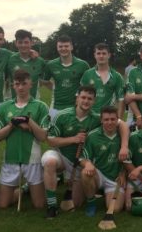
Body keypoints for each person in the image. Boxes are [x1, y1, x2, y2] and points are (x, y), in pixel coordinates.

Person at [42, 86, 129, 218]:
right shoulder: (62, 115)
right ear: (77, 98)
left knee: (76, 203)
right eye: (83, 97)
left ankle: (87, 193)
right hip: (62, 156)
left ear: (94, 101)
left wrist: (124, 146)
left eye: (90, 99)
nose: (86, 101)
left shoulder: (96, 118)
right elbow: (50, 141)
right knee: (49, 161)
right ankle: (52, 206)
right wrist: (73, 139)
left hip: (79, 162)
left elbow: (122, 125)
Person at [0, 70, 49, 209]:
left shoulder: (40, 106)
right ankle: (23, 189)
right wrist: (12, 124)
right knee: (2, 205)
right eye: (17, 84)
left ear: (31, 84)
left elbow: (43, 137)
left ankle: (27, 188)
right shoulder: (5, 107)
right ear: (13, 86)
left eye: (24, 84)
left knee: (39, 205)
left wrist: (29, 122)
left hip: (32, 160)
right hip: (10, 159)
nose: (21, 87)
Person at [79, 106, 128, 217]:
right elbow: (82, 158)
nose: (109, 122)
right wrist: (88, 164)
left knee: (115, 209)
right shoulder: (93, 136)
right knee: (85, 173)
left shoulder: (124, 135)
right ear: (101, 120)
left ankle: (106, 193)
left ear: (117, 119)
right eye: (106, 120)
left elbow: (130, 159)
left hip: (116, 178)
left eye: (112, 119)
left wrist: (124, 173)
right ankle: (91, 202)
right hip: (99, 175)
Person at [41, 35, 90, 121]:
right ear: (57, 47)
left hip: (76, 107)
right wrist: (54, 88)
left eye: (66, 46)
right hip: (55, 106)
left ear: (71, 47)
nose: (63, 48)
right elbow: (44, 81)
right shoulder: (51, 65)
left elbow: (88, 86)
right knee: (51, 129)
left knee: (75, 131)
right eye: (60, 46)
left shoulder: (83, 65)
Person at [80, 43, 125, 119]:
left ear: (109, 55)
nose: (101, 56)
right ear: (95, 55)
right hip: (90, 118)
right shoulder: (87, 74)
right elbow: (80, 97)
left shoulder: (117, 76)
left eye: (104, 53)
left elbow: (121, 100)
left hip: (108, 119)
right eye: (98, 53)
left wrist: (119, 120)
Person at [8, 29, 46, 99]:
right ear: (16, 43)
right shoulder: (10, 59)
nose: (23, 45)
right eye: (20, 42)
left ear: (31, 43)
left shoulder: (40, 62)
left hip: (33, 103)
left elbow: (46, 83)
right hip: (14, 104)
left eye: (26, 42)